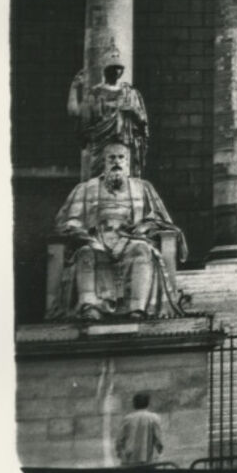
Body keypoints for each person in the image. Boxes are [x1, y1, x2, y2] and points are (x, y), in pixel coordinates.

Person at [51, 141, 189, 322]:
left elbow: (159, 219)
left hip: (131, 239)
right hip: (97, 238)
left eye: (121, 157)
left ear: (128, 162)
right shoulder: (85, 189)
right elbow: (70, 220)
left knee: (142, 250)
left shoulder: (143, 187)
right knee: (86, 253)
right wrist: (85, 236)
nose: (116, 162)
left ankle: (137, 309)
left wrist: (145, 226)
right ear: (104, 162)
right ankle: (91, 307)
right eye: (112, 158)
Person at [67, 41, 149, 177]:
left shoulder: (130, 93)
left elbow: (142, 122)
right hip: (100, 148)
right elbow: (76, 114)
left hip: (124, 147)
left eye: (118, 68)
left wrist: (133, 112)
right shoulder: (95, 94)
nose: (116, 71)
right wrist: (74, 88)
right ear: (105, 69)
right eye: (112, 68)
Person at [115, 391, 165, 468]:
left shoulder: (127, 419)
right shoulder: (154, 418)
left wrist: (120, 454)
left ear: (134, 404)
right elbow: (159, 441)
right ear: (148, 403)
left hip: (129, 461)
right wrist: (159, 452)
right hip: (148, 461)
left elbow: (119, 441)